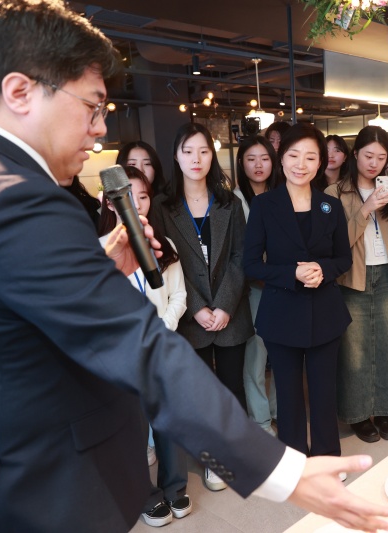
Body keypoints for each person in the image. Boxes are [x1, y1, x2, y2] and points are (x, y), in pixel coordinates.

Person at [0, 2, 388, 532]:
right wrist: (282, 470)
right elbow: (140, 349)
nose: (99, 130)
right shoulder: (14, 197)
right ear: (20, 92)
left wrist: (92, 266)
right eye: (92, 106)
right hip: (30, 490)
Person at [150, 122, 255, 493]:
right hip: (187, 315)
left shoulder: (228, 201)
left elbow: (242, 256)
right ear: (176, 156)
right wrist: (196, 307)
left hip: (230, 314)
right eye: (188, 151)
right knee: (197, 392)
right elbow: (165, 261)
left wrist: (224, 305)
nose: (197, 159)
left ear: (213, 156)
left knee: (230, 389)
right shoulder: (162, 207)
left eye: (204, 151)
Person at [244, 123, 352, 461]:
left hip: (325, 312)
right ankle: (292, 460)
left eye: (310, 157)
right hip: (281, 314)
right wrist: (291, 273)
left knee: (323, 392)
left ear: (320, 163)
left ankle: (326, 457)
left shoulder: (330, 206)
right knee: (288, 394)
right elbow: (250, 265)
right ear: (281, 157)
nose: (300, 164)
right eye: (293, 155)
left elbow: (343, 258)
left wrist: (324, 269)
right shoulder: (264, 205)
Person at [99, 166, 191, 527]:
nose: (137, 203)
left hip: (163, 345)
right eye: (128, 196)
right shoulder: (98, 251)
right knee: (135, 429)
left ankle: (175, 487)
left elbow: (180, 295)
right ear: (110, 202)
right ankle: (146, 495)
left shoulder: (162, 245)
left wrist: (161, 329)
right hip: (125, 355)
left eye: (143, 195)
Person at [325, 125, 388, 444]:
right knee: (355, 351)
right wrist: (365, 209)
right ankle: (359, 415)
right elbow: (335, 243)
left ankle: (386, 410)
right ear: (355, 155)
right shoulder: (334, 193)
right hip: (352, 279)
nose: (375, 163)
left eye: (382, 157)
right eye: (368, 156)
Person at [234, 135, 280, 436]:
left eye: (264, 157)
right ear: (241, 164)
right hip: (252, 287)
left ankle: (279, 409)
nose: (258, 164)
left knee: (282, 354)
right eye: (250, 158)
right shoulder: (234, 200)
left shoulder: (283, 195)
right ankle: (261, 419)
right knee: (256, 354)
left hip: (283, 284)